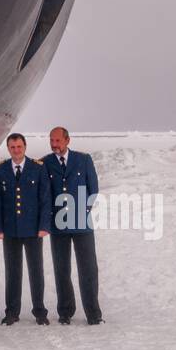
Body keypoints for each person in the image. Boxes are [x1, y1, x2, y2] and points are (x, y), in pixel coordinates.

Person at [42, 127, 103, 325]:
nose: (54, 144)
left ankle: (93, 314)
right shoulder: (45, 162)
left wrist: (82, 212)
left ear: (67, 140)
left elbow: (93, 189)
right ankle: (65, 311)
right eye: (51, 140)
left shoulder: (83, 160)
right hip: (57, 224)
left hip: (81, 223)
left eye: (57, 140)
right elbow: (44, 193)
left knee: (88, 269)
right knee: (61, 269)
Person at [0, 133, 52, 325]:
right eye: (12, 147)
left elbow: (45, 199)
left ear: (25, 147)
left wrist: (44, 225)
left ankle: (40, 311)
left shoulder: (37, 168)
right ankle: (12, 311)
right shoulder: (0, 170)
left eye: (19, 146)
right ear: (8, 148)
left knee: (36, 270)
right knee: (12, 271)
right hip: (10, 230)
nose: (16, 150)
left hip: (33, 229)